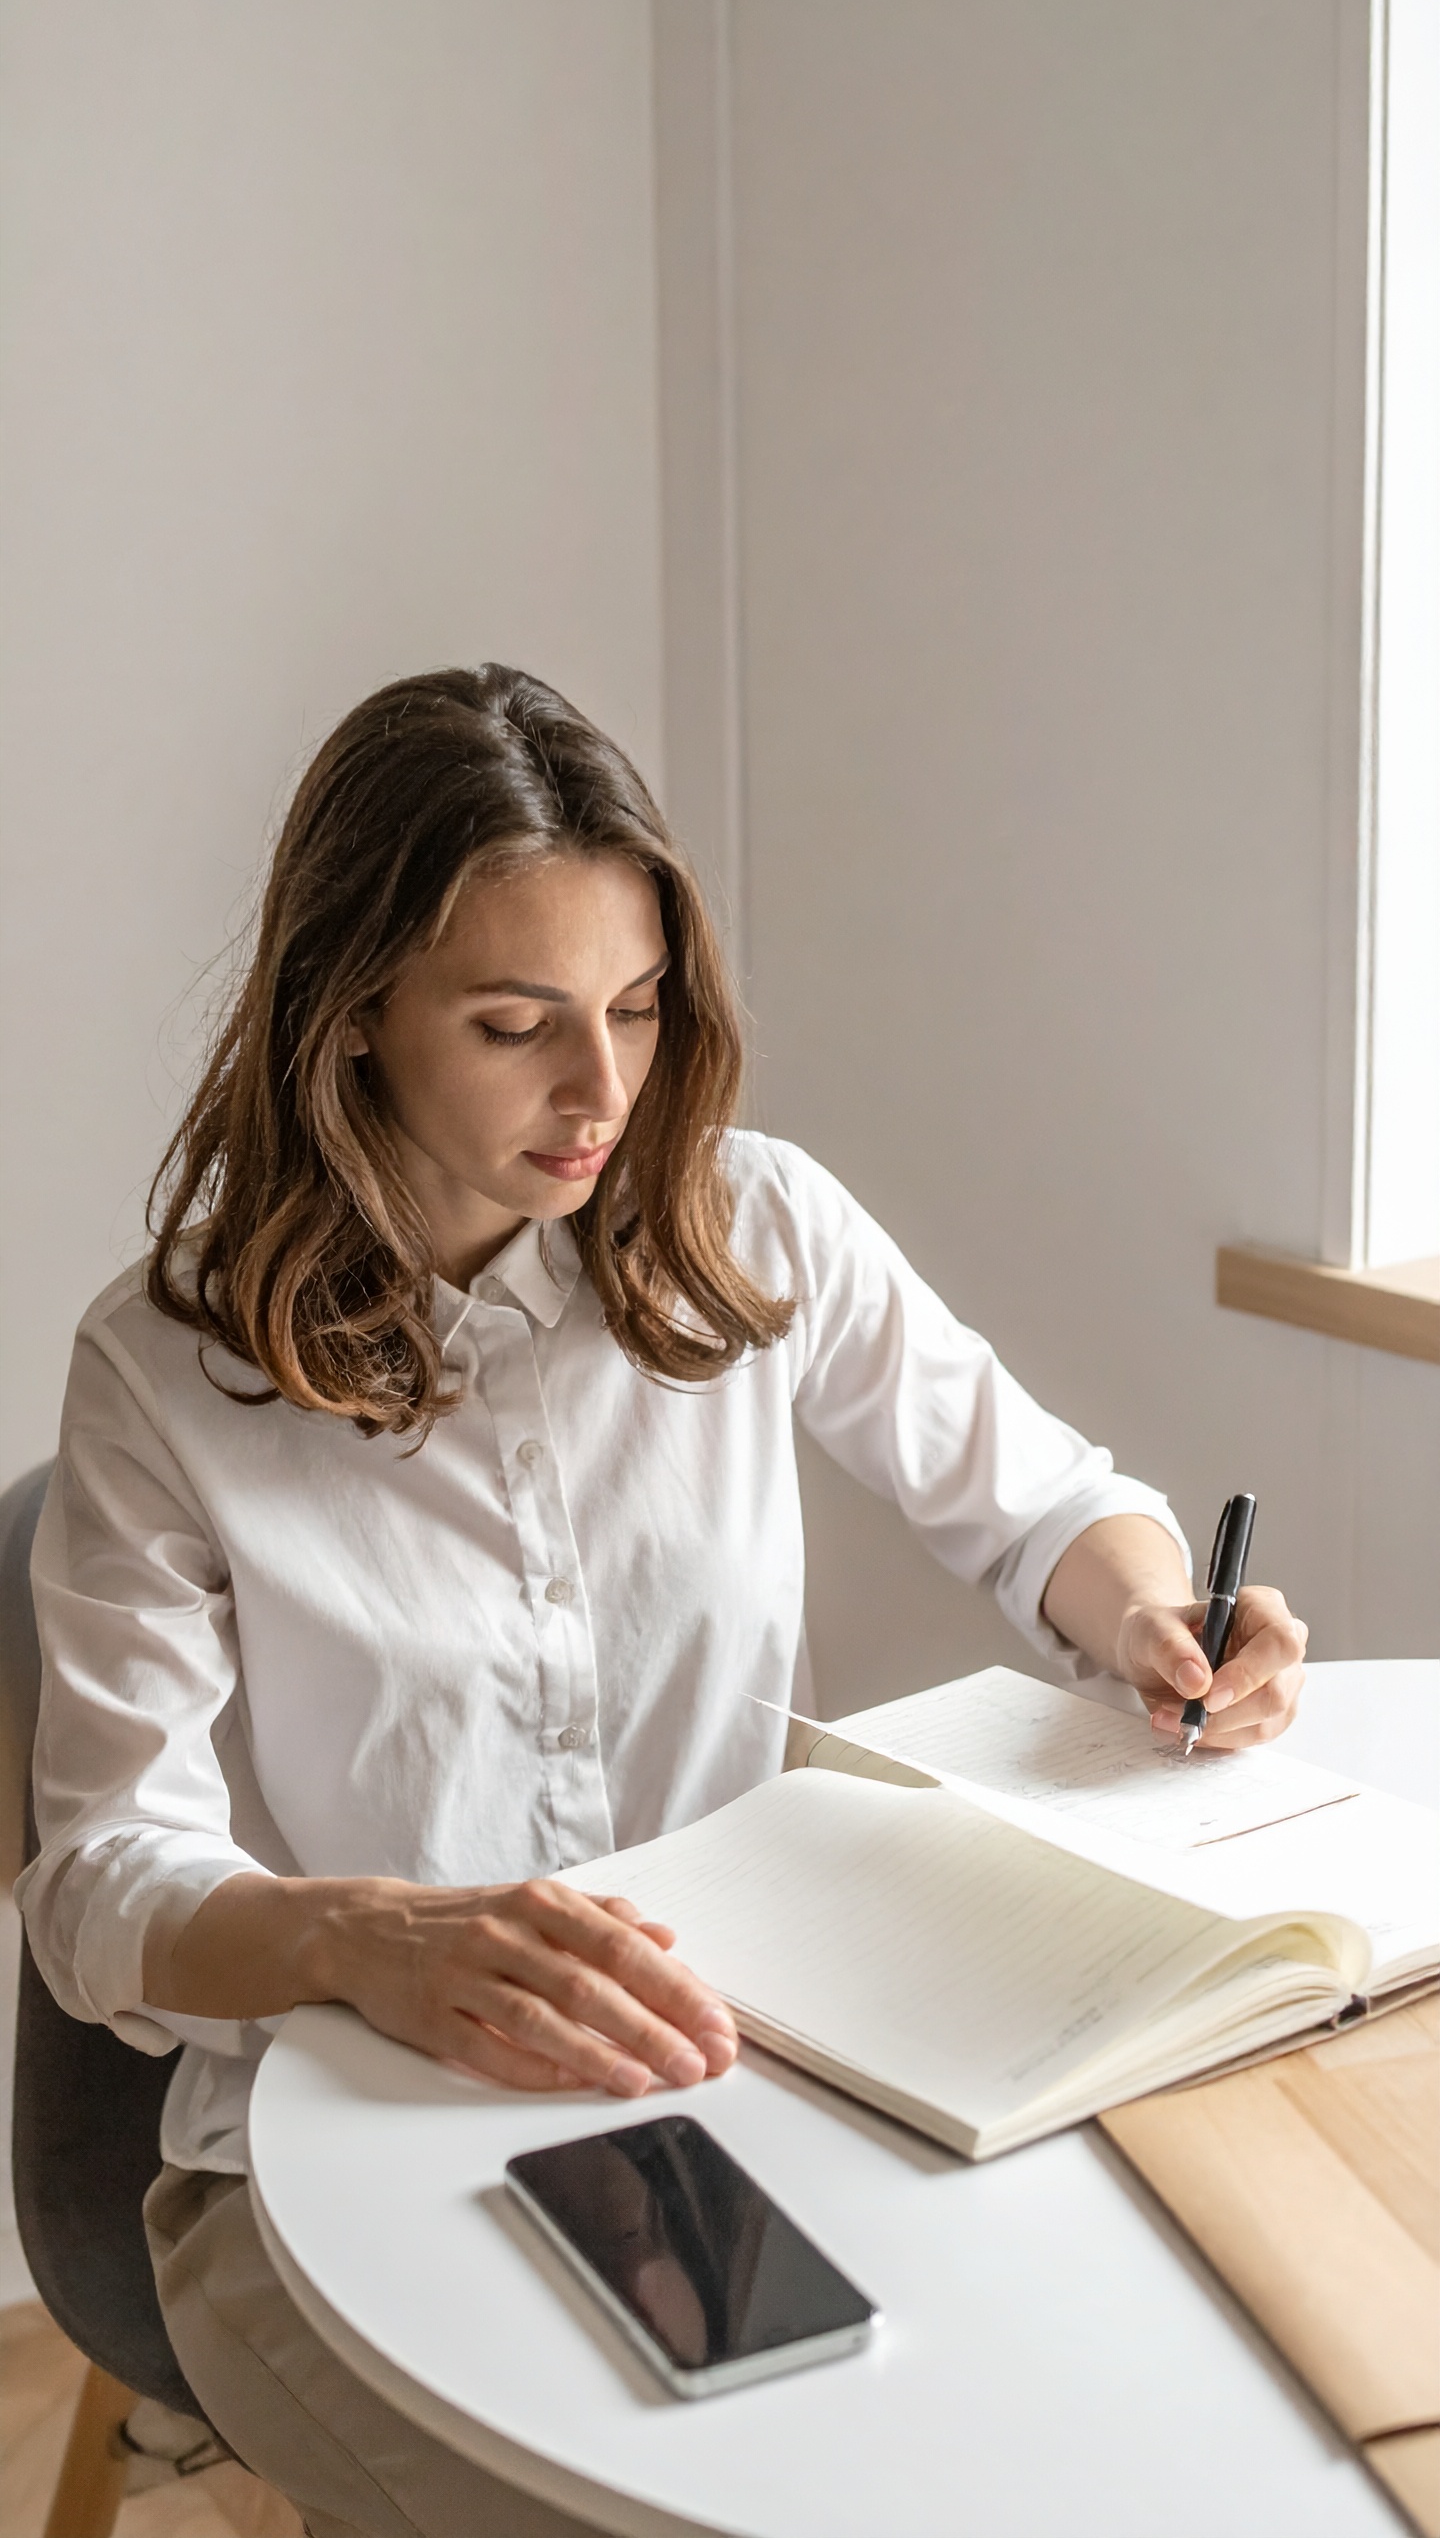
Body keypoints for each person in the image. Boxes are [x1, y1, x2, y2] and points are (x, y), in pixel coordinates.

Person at [17, 666, 1307, 2538]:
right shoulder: (166, 1369)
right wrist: (370, 1937)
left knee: (1077, 2435)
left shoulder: (749, 1229)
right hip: (340, 2156)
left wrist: (1156, 1622)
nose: (604, 1091)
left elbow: (1045, 1504)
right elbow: (99, 1886)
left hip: (748, 2086)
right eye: (516, 1023)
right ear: (356, 1014)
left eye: (634, 1010)